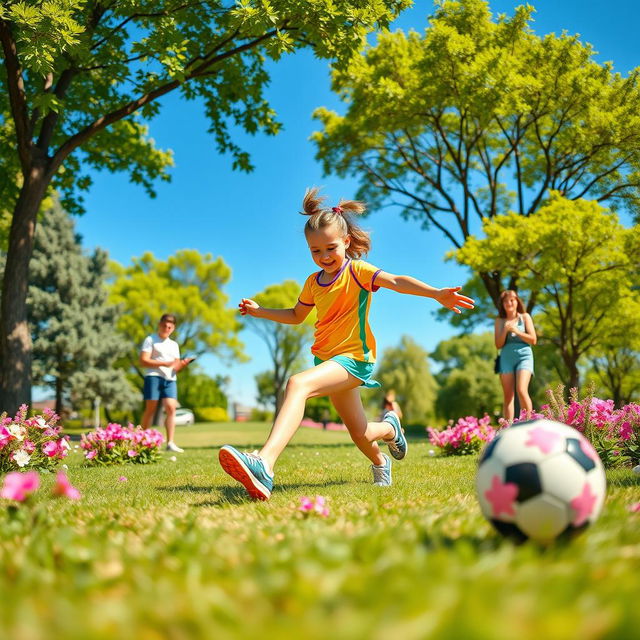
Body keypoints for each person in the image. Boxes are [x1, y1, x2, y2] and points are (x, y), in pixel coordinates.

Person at [218, 188, 475, 500]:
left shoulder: (357, 271)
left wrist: (436, 293)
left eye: (330, 248)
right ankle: (389, 437)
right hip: (327, 362)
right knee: (360, 432)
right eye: (315, 251)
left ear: (346, 243)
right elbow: (297, 315)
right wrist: (261, 312)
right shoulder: (313, 283)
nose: (324, 256)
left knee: (296, 384)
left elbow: (396, 282)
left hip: (354, 358)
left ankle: (264, 465)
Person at [140, 314, 194, 453]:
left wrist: (183, 363)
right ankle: (140, 440)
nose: (167, 328)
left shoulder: (174, 345)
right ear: (160, 324)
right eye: (164, 325)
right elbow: (143, 361)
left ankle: (170, 443)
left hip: (170, 379)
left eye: (170, 326)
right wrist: (164, 363)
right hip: (153, 377)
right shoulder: (150, 339)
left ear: (173, 328)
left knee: (171, 408)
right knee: (150, 409)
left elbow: (175, 367)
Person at [494, 290, 537, 422]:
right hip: (506, 358)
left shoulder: (525, 317)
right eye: (505, 301)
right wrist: (506, 330)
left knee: (521, 390)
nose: (509, 303)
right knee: (508, 396)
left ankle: (528, 423)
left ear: (517, 301)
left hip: (524, 356)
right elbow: (498, 344)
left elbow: (533, 340)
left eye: (512, 300)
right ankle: (508, 426)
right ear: (502, 304)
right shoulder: (500, 321)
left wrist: (517, 331)